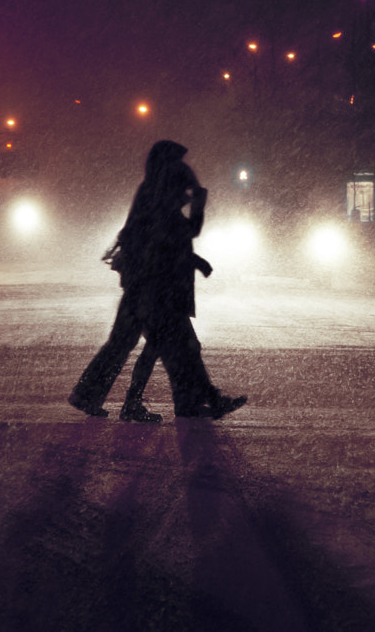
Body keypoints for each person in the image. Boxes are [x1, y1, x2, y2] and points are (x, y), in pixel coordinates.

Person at [68, 140, 247, 422]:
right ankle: (191, 402)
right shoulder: (163, 207)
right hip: (157, 290)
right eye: (184, 190)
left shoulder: (149, 195)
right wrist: (199, 207)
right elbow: (182, 237)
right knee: (179, 347)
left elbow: (158, 239)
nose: (185, 195)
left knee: (132, 344)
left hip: (142, 285)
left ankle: (93, 394)